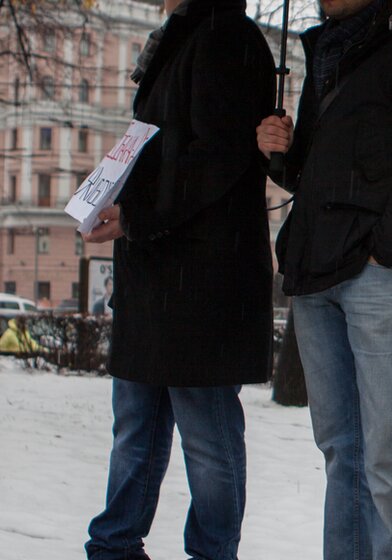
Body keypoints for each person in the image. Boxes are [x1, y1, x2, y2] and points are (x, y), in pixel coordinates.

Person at [256, 0, 392, 557]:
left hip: (378, 274)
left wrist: (386, 249)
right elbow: (312, 171)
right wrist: (279, 153)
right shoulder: (326, 54)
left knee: (389, 455)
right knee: (341, 448)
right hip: (313, 273)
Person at [82, 0, 274, 558]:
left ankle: (211, 552)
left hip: (205, 281)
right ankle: (114, 546)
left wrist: (136, 214)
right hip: (158, 274)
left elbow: (217, 159)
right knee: (135, 429)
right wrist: (113, 195)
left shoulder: (226, 38)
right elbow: (159, 151)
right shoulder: (183, 39)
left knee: (207, 436)